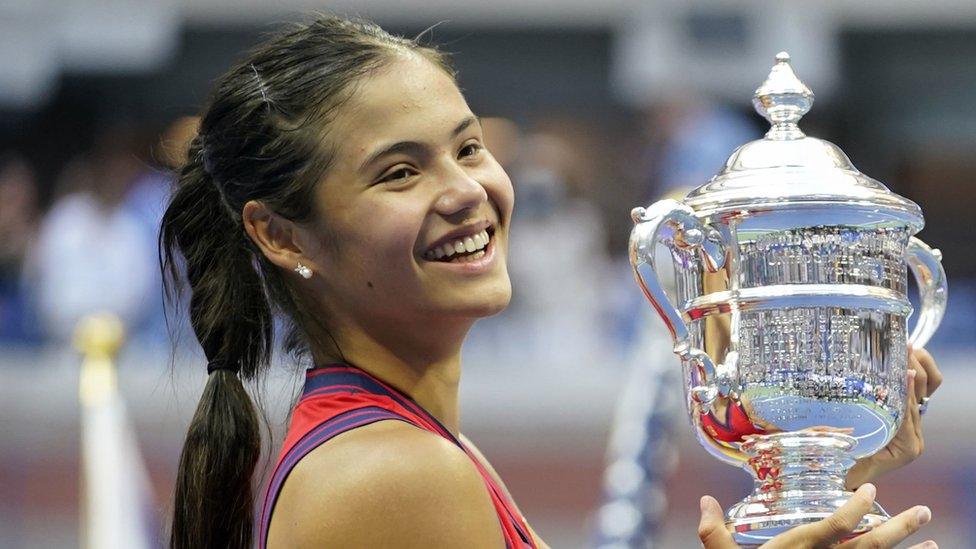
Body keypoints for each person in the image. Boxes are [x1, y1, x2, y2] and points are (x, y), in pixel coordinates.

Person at [159, 15, 941, 548]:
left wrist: (810, 479)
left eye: (467, 149)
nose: (467, 189)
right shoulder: (393, 474)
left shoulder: (417, 448)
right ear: (280, 233)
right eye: (399, 172)